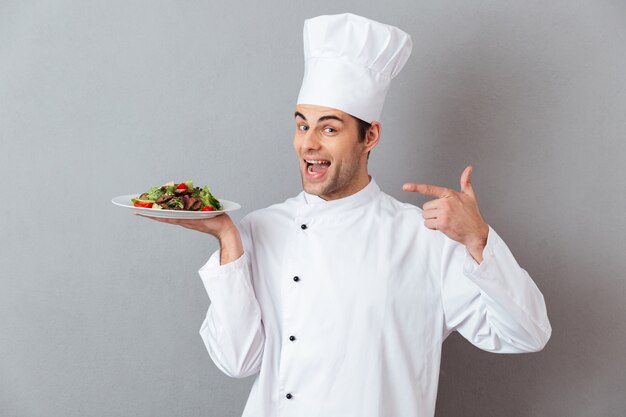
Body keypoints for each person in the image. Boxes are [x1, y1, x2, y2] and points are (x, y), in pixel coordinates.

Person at [147, 13, 551, 417]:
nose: (308, 143)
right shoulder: (260, 228)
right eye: (302, 125)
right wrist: (227, 239)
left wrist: (478, 239)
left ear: (369, 136)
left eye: (329, 129)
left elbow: (527, 335)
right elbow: (237, 362)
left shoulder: (425, 238)